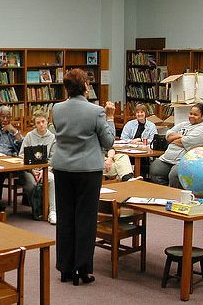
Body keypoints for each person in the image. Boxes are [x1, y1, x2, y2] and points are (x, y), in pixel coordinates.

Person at [52, 68, 115, 286]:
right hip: (87, 170)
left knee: (66, 216)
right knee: (86, 219)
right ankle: (82, 268)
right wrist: (110, 118)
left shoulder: (56, 109)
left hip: (61, 168)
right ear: (86, 86)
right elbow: (108, 142)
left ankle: (65, 267)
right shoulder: (96, 111)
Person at [149, 103, 203, 189]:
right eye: (191, 113)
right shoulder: (184, 124)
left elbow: (185, 142)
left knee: (175, 174)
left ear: (202, 116)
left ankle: (176, 197)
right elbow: (168, 136)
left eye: (195, 115)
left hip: (187, 161)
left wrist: (175, 139)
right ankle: (164, 192)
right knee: (155, 168)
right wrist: (179, 136)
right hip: (168, 158)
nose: (191, 116)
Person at [19, 110, 57, 224]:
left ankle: (52, 211)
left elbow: (52, 158)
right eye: (38, 122)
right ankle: (38, 210)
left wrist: (44, 171)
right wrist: (32, 170)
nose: (41, 124)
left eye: (43, 122)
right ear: (34, 124)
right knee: (32, 183)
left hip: (45, 170)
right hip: (29, 170)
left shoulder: (52, 138)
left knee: (51, 179)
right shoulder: (30, 136)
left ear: (47, 122)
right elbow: (21, 155)